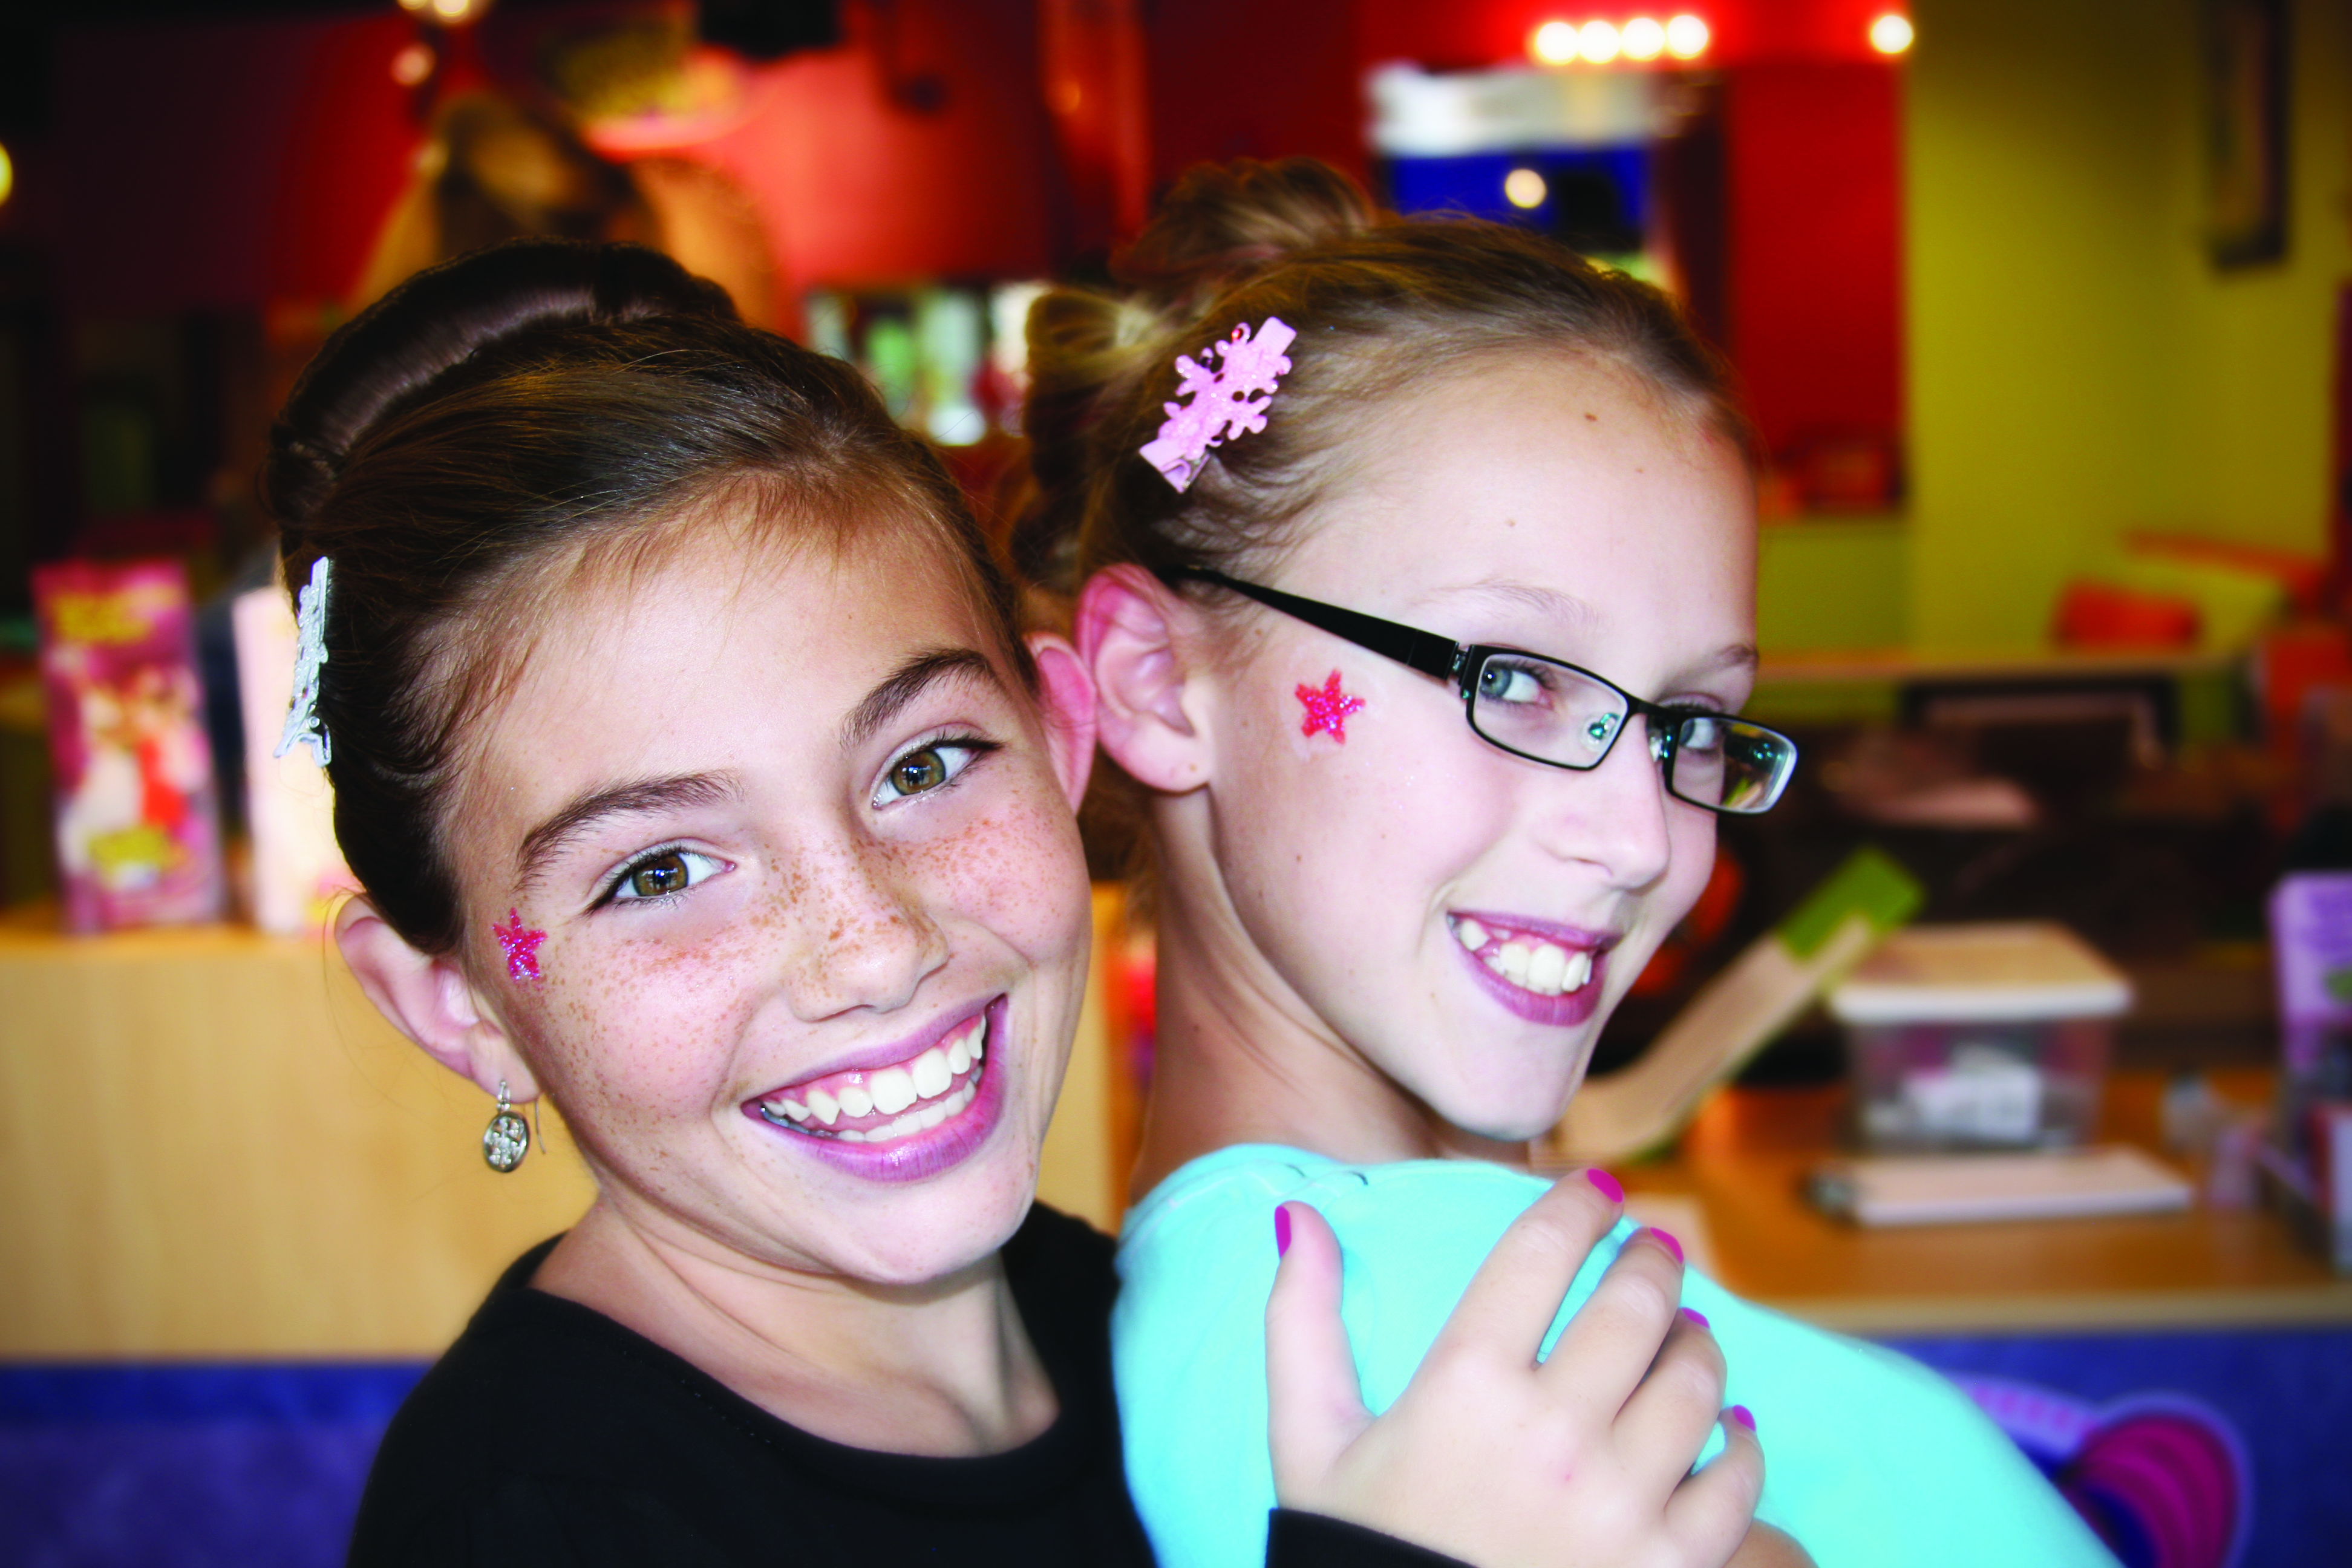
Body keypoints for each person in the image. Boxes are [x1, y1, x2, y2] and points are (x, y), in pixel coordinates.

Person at [271, 237, 1768, 1567]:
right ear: (460, 1002)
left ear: (1063, 740)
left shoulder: (1143, 1323)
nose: (875, 943)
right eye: (658, 871)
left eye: (925, 765)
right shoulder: (530, 1520)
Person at [1018, 158, 2118, 1568]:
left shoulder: (1458, 1313)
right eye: (1515, 677)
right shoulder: (1343, 1383)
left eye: (1691, 722)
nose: (1646, 835)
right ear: (1162, 685)